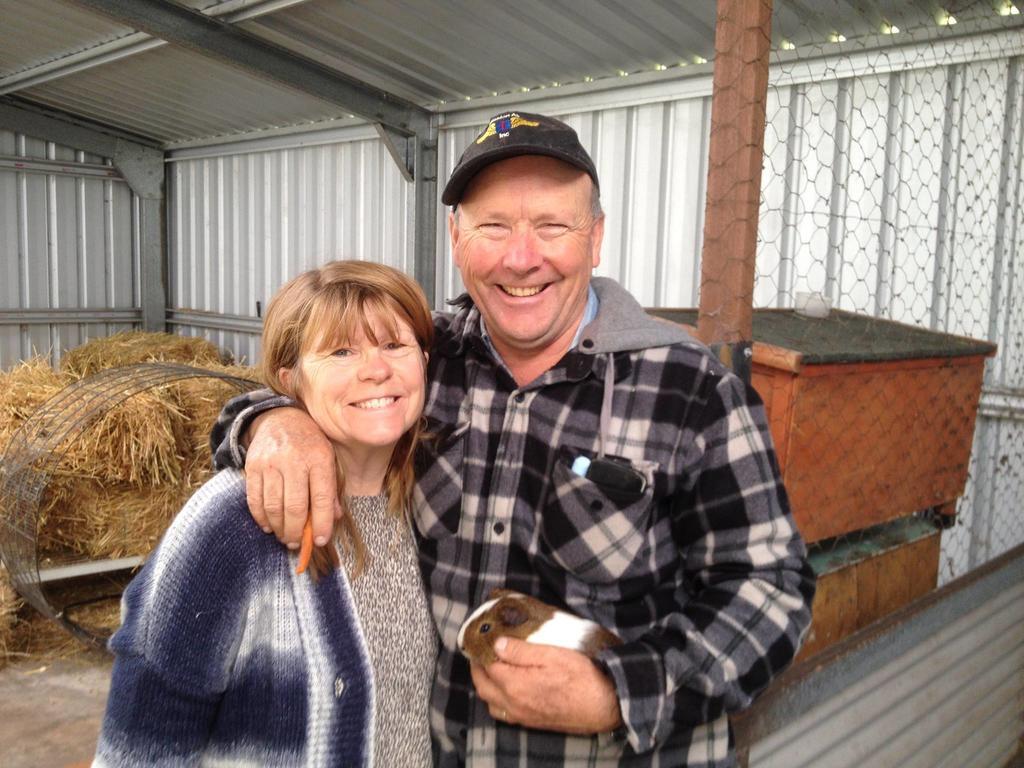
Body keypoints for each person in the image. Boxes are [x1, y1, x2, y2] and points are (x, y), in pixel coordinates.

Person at [212, 111, 816, 767]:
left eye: (552, 226)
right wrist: (275, 421)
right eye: (493, 227)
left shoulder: (691, 389)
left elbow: (772, 588)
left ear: (596, 238)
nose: (520, 257)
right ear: (455, 237)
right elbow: (307, 383)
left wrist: (623, 691)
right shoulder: (421, 361)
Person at [95, 261, 437, 767]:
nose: (375, 369)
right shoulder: (231, 522)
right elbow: (140, 748)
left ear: (425, 359)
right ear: (288, 378)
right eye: (341, 351)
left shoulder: (435, 499)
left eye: (394, 345)